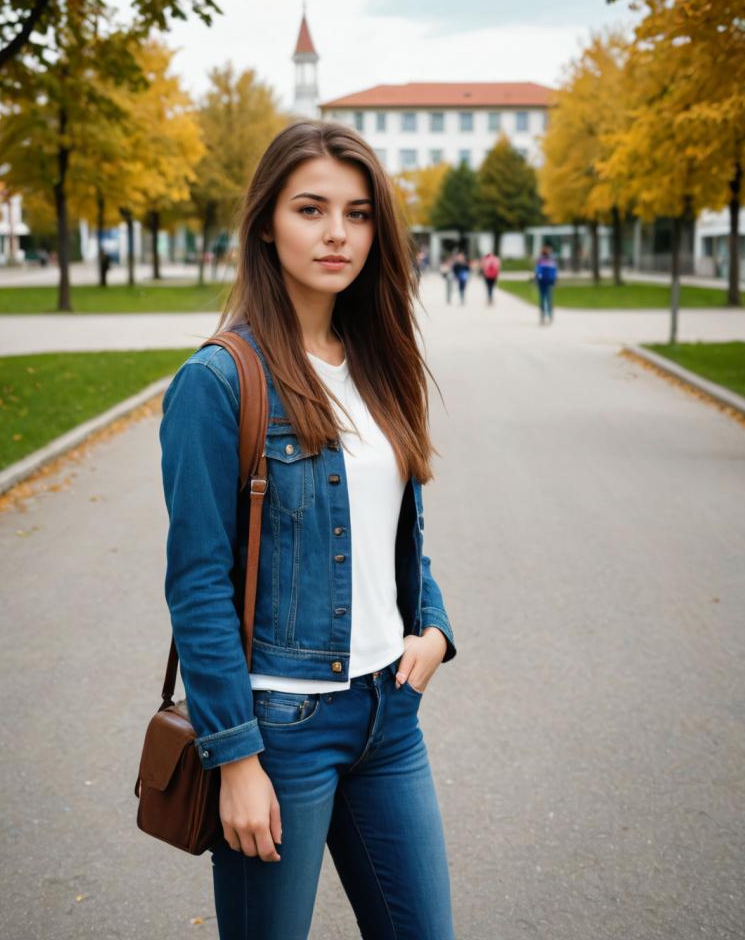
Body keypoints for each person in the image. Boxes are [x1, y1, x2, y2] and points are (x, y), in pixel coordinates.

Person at [159, 119, 457, 940]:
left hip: (389, 718)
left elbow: (396, 525)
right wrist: (235, 757)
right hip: (280, 729)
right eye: (311, 209)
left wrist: (431, 625)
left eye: (358, 213)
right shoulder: (219, 380)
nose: (337, 234)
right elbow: (197, 583)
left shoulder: (381, 360)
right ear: (266, 222)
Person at [534, 244, 558, 325]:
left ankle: (544, 316)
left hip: (544, 282)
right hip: (548, 282)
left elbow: (537, 271)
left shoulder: (540, 260)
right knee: (548, 299)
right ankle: (548, 316)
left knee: (544, 299)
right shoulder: (551, 260)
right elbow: (554, 271)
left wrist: (536, 279)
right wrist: (555, 280)